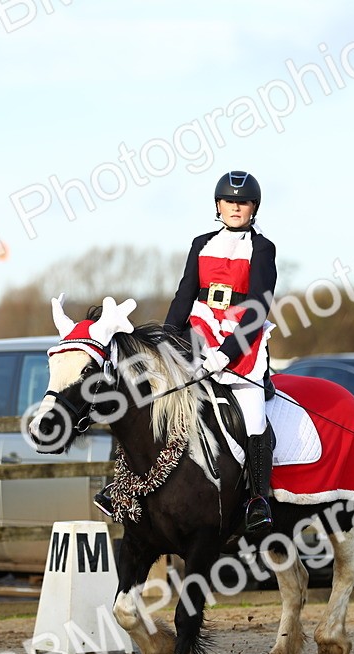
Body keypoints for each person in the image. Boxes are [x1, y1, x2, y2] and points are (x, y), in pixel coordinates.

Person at [95, 170, 277, 535]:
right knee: (148, 398)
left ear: (253, 207)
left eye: (243, 202)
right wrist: (164, 344)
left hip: (241, 341)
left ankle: (258, 499)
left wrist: (227, 353)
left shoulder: (262, 248)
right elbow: (183, 298)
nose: (236, 207)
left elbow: (258, 307)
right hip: (198, 333)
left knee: (254, 416)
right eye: (230, 201)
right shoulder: (201, 243)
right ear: (218, 206)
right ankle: (121, 488)